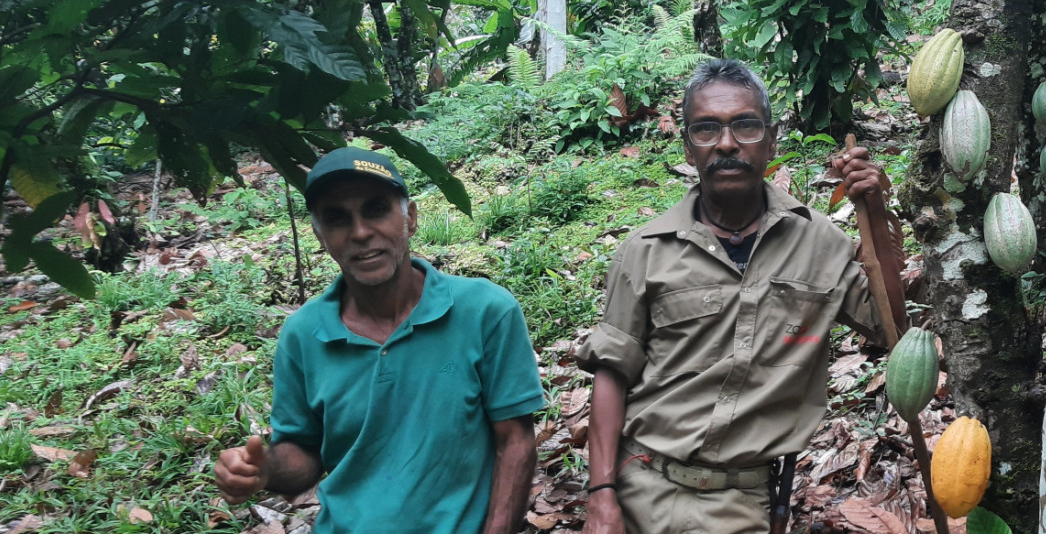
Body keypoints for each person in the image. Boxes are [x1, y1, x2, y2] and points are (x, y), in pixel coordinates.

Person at [575, 58, 905, 534]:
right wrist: (601, 495)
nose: (727, 143)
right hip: (638, 478)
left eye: (745, 126)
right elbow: (612, 369)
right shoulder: (644, 250)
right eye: (706, 129)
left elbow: (892, 329)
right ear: (689, 148)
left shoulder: (819, 244)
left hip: (738, 497)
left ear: (770, 140)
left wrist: (875, 212)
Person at [213, 148, 545, 534]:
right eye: (337, 218)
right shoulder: (303, 334)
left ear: (411, 218)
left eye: (375, 209)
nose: (360, 232)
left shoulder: (485, 310)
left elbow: (516, 441)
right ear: (320, 236)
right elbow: (304, 452)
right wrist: (264, 468)